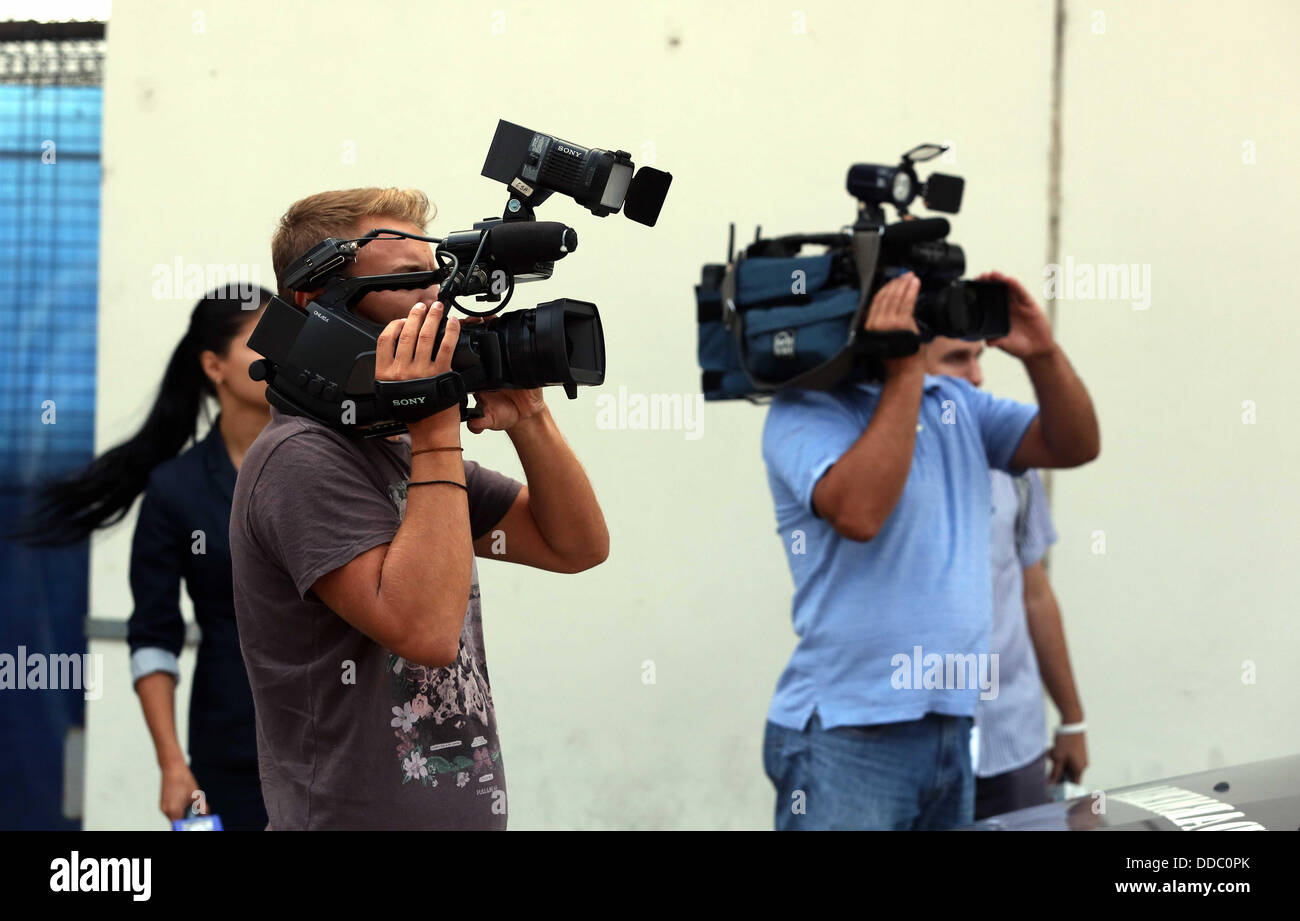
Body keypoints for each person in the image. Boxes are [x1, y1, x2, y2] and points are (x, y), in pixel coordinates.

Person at [230, 188, 609, 830]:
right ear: (316, 306)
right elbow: (425, 632)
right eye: (407, 283)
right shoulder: (299, 459)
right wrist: (434, 430)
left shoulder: (401, 451)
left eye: (435, 281)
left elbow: (575, 546)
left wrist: (530, 417)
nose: (433, 301)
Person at [760, 269, 1100, 830]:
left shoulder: (957, 405)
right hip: (850, 733)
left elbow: (1076, 444)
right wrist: (904, 371)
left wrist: (1042, 354)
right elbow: (860, 513)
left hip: (950, 724)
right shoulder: (805, 411)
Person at [12, 287, 275, 830]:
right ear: (214, 365)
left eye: (290, 339)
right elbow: (153, 635)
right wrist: (171, 763)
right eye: (261, 343)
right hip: (233, 746)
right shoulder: (175, 488)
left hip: (344, 740)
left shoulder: (329, 463)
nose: (283, 356)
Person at [924, 335, 1088, 819]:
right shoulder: (883, 471)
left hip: (1011, 738)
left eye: (979, 357)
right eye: (957, 359)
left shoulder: (1011, 459)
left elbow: (1033, 592)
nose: (977, 375)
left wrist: (1072, 720)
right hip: (917, 746)